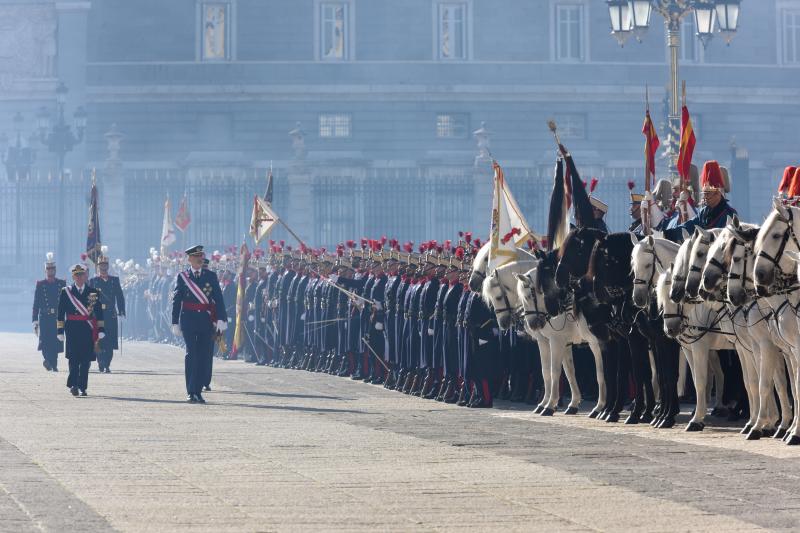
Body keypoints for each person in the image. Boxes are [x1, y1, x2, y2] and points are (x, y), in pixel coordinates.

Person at [171, 245, 228, 403]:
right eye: (196, 257)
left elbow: (218, 298)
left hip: (205, 320)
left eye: (201, 256)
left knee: (203, 356)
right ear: (189, 259)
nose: (199, 259)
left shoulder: (210, 276)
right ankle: (191, 390)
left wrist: (222, 319)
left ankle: (198, 390)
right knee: (191, 355)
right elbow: (177, 301)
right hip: (188, 320)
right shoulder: (182, 277)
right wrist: (175, 322)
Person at [57, 263, 105, 396]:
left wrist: (101, 329)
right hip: (71, 328)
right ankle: (73, 384)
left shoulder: (93, 292)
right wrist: (60, 331)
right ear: (73, 277)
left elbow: (98, 312)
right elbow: (60, 313)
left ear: (85, 276)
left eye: (81, 275)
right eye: (76, 275)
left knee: (85, 359)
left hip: (87, 329)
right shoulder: (66, 292)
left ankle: (83, 386)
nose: (79, 278)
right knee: (73, 358)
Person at [663, 160, 737, 242]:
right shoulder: (703, 212)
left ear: (717, 194)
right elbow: (688, 227)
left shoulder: (730, 214)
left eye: (708, 194)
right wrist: (667, 234)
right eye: (704, 194)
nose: (705, 197)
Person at [89, 247, 126, 373]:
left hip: (110, 314)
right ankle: (100, 361)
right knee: (99, 340)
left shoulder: (114, 280)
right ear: (98, 267)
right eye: (101, 265)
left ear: (108, 266)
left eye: (105, 265)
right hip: (98, 315)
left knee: (109, 340)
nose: (103, 268)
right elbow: (90, 299)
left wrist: (121, 311)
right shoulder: (93, 281)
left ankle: (107, 364)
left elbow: (120, 296)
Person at [33, 252, 66, 371]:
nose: (50, 271)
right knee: (45, 341)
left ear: (55, 270)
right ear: (45, 271)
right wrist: (35, 321)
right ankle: (47, 360)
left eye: (52, 269)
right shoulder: (41, 285)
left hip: (57, 317)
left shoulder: (61, 284)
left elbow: (65, 302)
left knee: (55, 341)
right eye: (48, 269)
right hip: (45, 317)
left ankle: (54, 364)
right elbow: (36, 304)